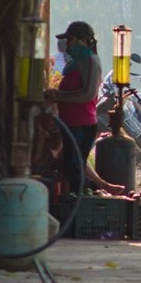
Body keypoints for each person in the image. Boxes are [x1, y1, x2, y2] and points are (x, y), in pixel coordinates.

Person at [45, 20, 102, 171]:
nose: (68, 44)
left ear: (82, 41)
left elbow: (88, 93)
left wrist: (59, 96)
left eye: (70, 40)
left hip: (82, 124)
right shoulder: (77, 62)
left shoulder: (90, 61)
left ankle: (76, 194)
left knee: (75, 168)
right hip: (70, 122)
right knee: (69, 167)